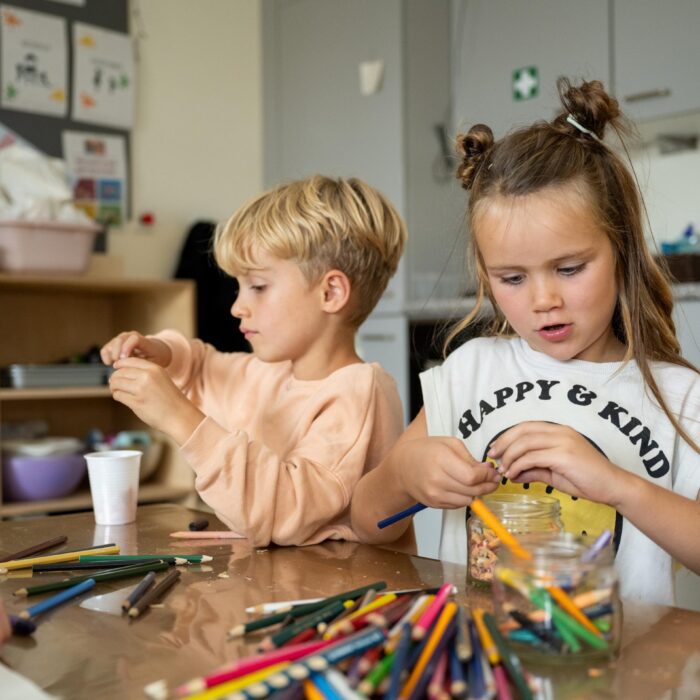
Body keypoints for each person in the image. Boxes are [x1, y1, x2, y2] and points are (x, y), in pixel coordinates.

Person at [350, 78, 700, 605]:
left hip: (618, 670)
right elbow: (366, 521)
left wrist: (617, 485)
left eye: (569, 268)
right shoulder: (469, 374)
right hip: (481, 663)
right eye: (512, 279)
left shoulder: (679, 398)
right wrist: (403, 474)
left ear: (622, 251)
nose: (543, 300)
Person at [101, 175, 407, 547]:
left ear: (330, 292)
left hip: (341, 598)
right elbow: (201, 368)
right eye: (238, 286)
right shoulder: (267, 373)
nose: (236, 306)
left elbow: (283, 515)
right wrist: (160, 353)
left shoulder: (359, 393)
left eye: (258, 287)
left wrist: (179, 418)